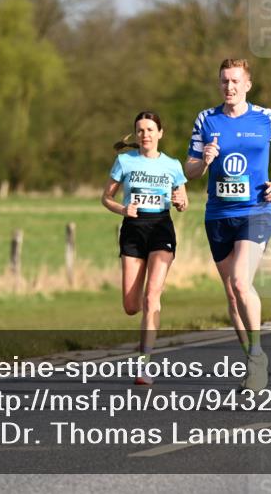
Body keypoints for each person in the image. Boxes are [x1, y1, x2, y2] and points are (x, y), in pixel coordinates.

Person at [185, 58, 271, 390]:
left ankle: (259, 353)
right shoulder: (206, 119)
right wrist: (203, 160)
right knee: (232, 296)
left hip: (256, 210)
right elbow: (189, 170)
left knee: (239, 282)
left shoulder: (266, 117)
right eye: (224, 81)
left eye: (235, 81)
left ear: (247, 84)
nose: (229, 87)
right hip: (218, 215)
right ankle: (252, 357)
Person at [101, 111, 189, 385]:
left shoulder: (173, 165)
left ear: (160, 133)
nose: (145, 134)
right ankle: (148, 318)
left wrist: (180, 201)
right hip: (133, 230)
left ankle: (144, 365)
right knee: (131, 305)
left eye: (150, 129)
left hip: (161, 227)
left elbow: (183, 201)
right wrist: (123, 209)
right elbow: (106, 198)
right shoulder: (124, 161)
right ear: (136, 135)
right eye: (140, 130)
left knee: (152, 297)